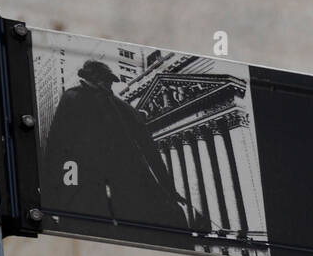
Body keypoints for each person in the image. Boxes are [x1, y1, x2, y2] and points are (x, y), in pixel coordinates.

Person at [42, 59, 206, 233]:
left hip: (113, 191)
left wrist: (169, 189)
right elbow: (59, 148)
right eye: (106, 80)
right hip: (106, 191)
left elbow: (57, 148)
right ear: (94, 79)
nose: (109, 86)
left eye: (110, 82)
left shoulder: (117, 106)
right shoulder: (76, 98)